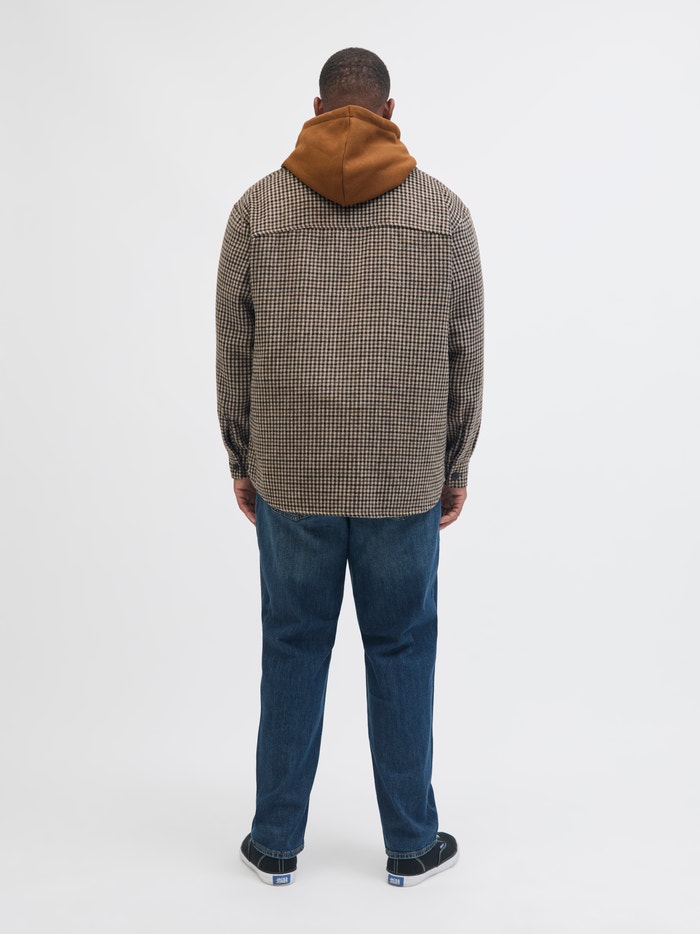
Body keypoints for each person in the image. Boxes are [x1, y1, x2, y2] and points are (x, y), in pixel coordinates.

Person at [216, 47, 484, 887]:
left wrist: (242, 457)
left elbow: (233, 350)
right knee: (401, 648)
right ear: (388, 112)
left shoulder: (257, 210)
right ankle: (410, 844)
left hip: (291, 471)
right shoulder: (444, 214)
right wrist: (454, 463)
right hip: (403, 476)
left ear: (317, 109)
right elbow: (466, 353)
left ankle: (274, 844)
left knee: (292, 645)